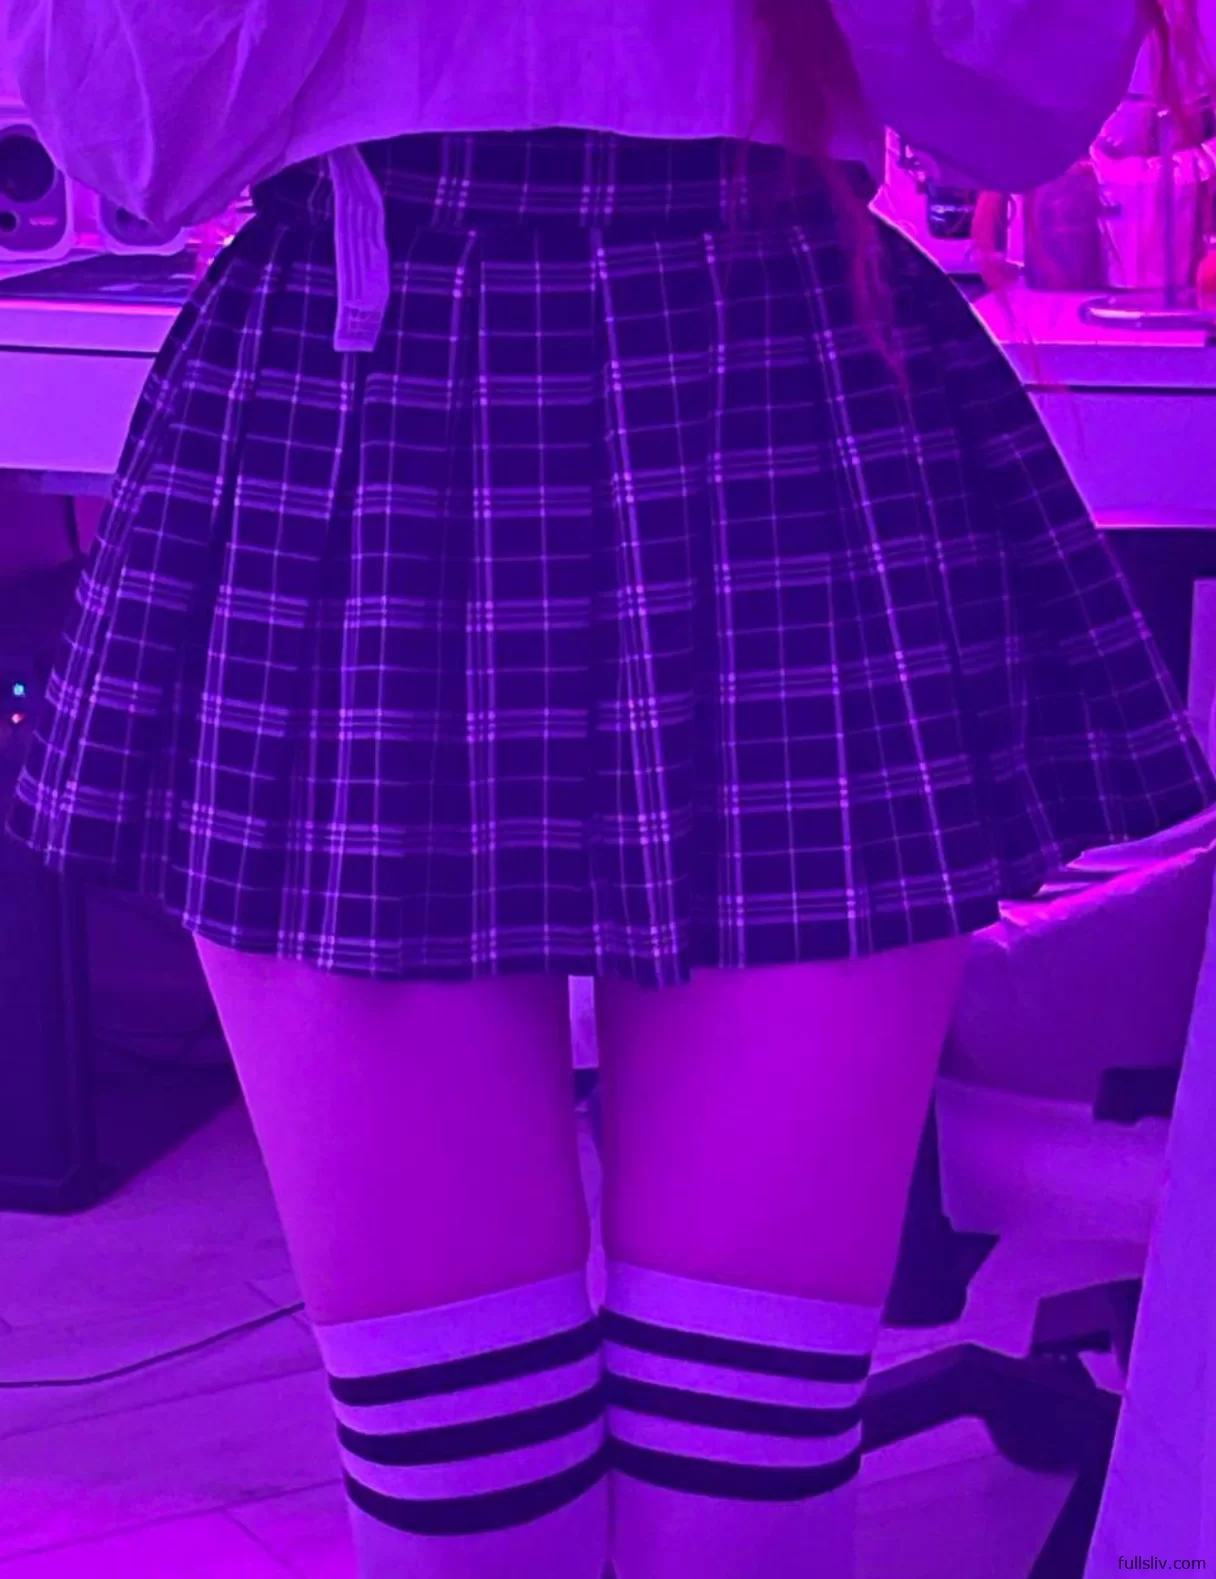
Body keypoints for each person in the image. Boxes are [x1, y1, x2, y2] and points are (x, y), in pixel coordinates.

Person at [5, 3, 1212, 1577]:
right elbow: (125, 135)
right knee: (464, 1487)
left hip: (778, 390)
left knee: (745, 1489)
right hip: (370, 411)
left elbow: (1022, 97)